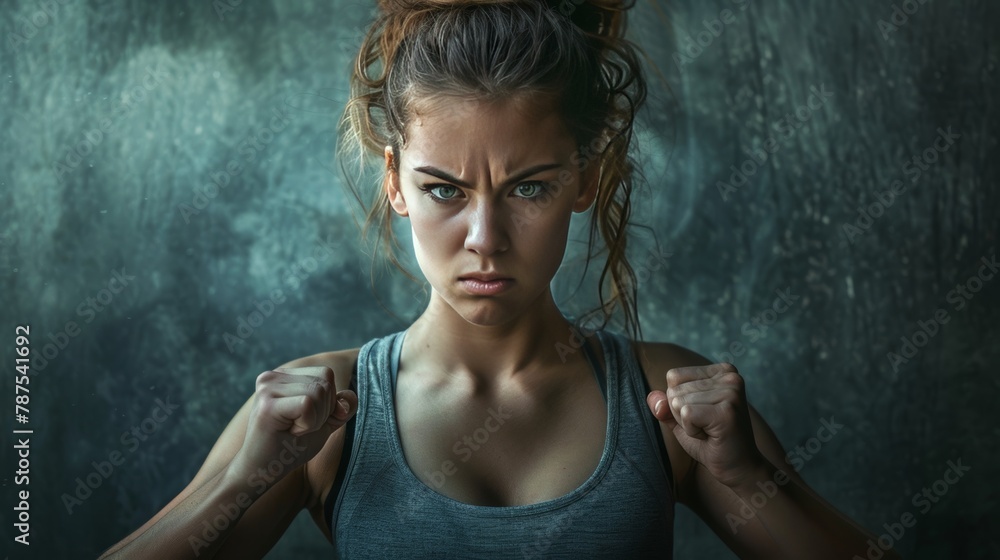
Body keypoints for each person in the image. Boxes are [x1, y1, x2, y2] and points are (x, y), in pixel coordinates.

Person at [99, 1, 902, 558]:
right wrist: (243, 479)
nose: (485, 240)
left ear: (585, 179)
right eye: (444, 189)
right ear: (394, 182)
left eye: (529, 187)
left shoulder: (666, 402)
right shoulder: (321, 411)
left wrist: (746, 476)